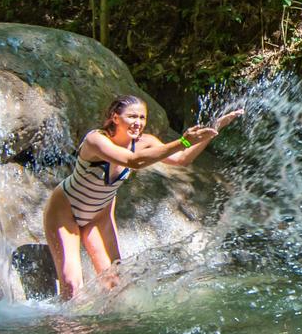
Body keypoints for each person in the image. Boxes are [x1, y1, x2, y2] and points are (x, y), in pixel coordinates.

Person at [43, 95, 244, 300]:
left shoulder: (145, 142)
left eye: (142, 117)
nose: (138, 123)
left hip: (98, 215)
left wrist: (214, 128)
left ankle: (106, 328)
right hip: (65, 210)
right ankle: (65, 329)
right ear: (115, 117)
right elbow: (133, 161)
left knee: (114, 283)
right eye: (132, 117)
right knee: (71, 285)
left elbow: (182, 159)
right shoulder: (96, 139)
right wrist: (183, 140)